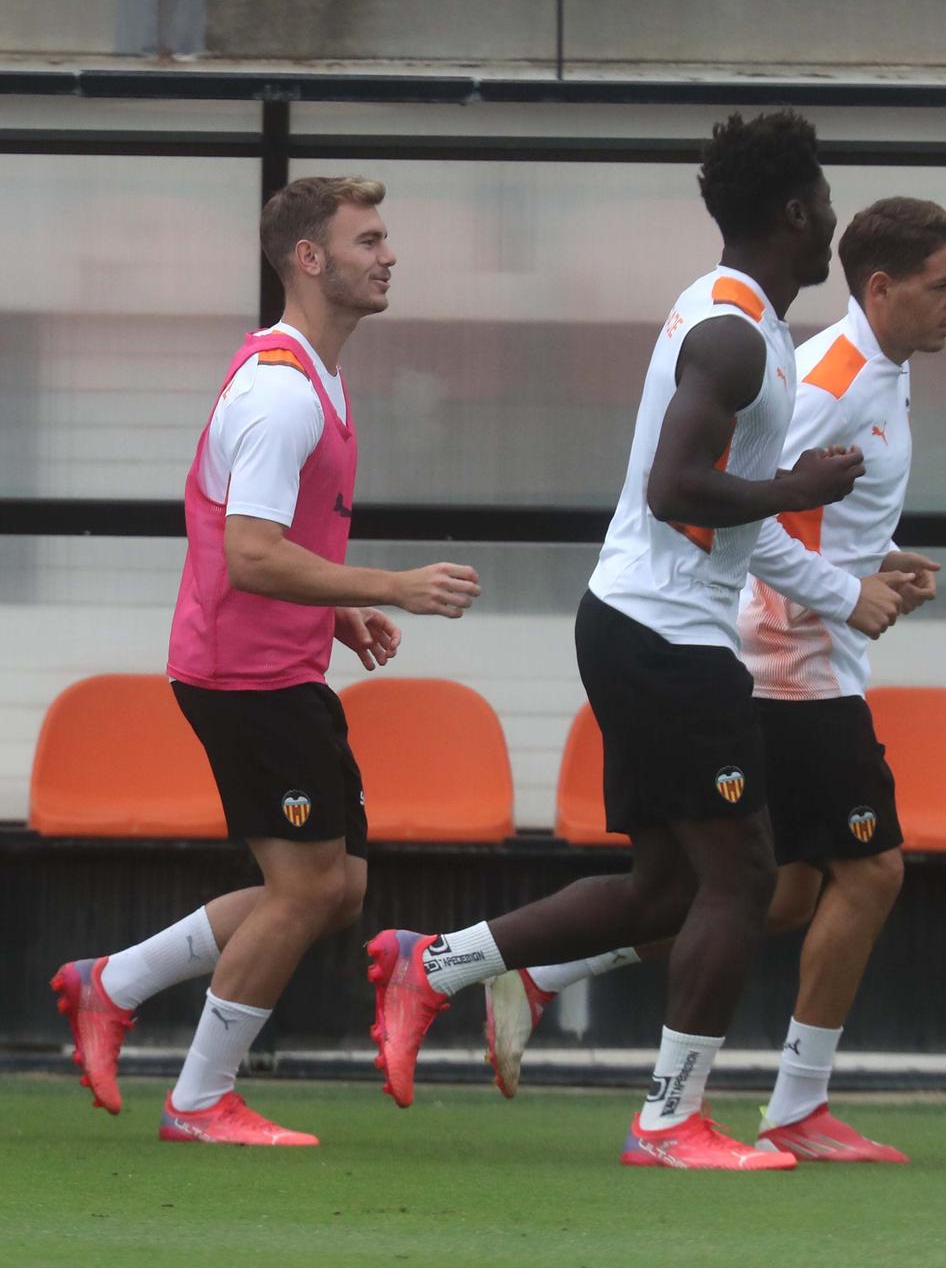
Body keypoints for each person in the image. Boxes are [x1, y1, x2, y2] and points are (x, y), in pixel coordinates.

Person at [363, 110, 864, 1171]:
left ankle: (432, 961)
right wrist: (798, 484)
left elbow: (726, 511)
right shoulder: (730, 333)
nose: (830, 216)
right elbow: (673, 484)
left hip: (642, 627)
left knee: (662, 891)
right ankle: (668, 1119)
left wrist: (835, 580)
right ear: (793, 209)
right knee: (743, 880)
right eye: (821, 197)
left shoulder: (749, 326)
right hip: (665, 640)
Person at [483, 198, 946, 1166]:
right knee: (867, 872)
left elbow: (804, 512)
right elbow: (740, 515)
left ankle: (531, 972)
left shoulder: (874, 368)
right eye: (942, 284)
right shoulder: (829, 374)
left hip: (793, 654)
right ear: (878, 288)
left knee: (774, 896)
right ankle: (790, 1105)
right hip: (788, 666)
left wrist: (878, 559)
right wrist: (844, 594)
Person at [49, 176, 481, 1146]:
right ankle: (199, 1099)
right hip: (239, 678)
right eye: (368, 238)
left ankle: (109, 985)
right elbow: (246, 551)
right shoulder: (281, 390)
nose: (389, 254)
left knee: (335, 890)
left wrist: (331, 620)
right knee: (301, 889)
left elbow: (251, 538)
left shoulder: (315, 379)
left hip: (282, 667)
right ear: (310, 259)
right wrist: (388, 589)